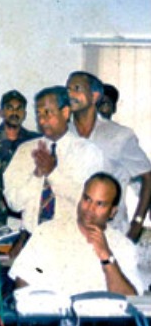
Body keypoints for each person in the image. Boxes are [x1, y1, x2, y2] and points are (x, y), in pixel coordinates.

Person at [9, 172, 143, 296]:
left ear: (113, 212)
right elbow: (23, 280)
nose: (90, 209)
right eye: (87, 199)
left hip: (102, 314)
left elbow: (130, 300)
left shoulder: (123, 246)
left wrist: (106, 257)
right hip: (52, 312)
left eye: (99, 204)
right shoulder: (48, 232)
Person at [3, 86, 104, 236]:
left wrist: (53, 173)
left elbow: (89, 204)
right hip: (33, 238)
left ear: (65, 112)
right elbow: (14, 203)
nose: (42, 120)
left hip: (70, 239)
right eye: (38, 114)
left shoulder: (87, 152)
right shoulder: (26, 150)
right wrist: (37, 175)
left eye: (47, 112)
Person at [66, 71, 150, 240]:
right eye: (68, 89)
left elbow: (148, 178)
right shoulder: (63, 134)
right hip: (70, 232)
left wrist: (137, 225)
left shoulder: (119, 136)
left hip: (111, 234)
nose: (70, 94)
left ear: (94, 96)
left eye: (77, 88)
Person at [0, 90, 41, 228]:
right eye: (9, 108)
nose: (14, 112)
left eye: (19, 108)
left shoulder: (35, 141)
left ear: (24, 114)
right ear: (1, 112)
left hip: (23, 215)